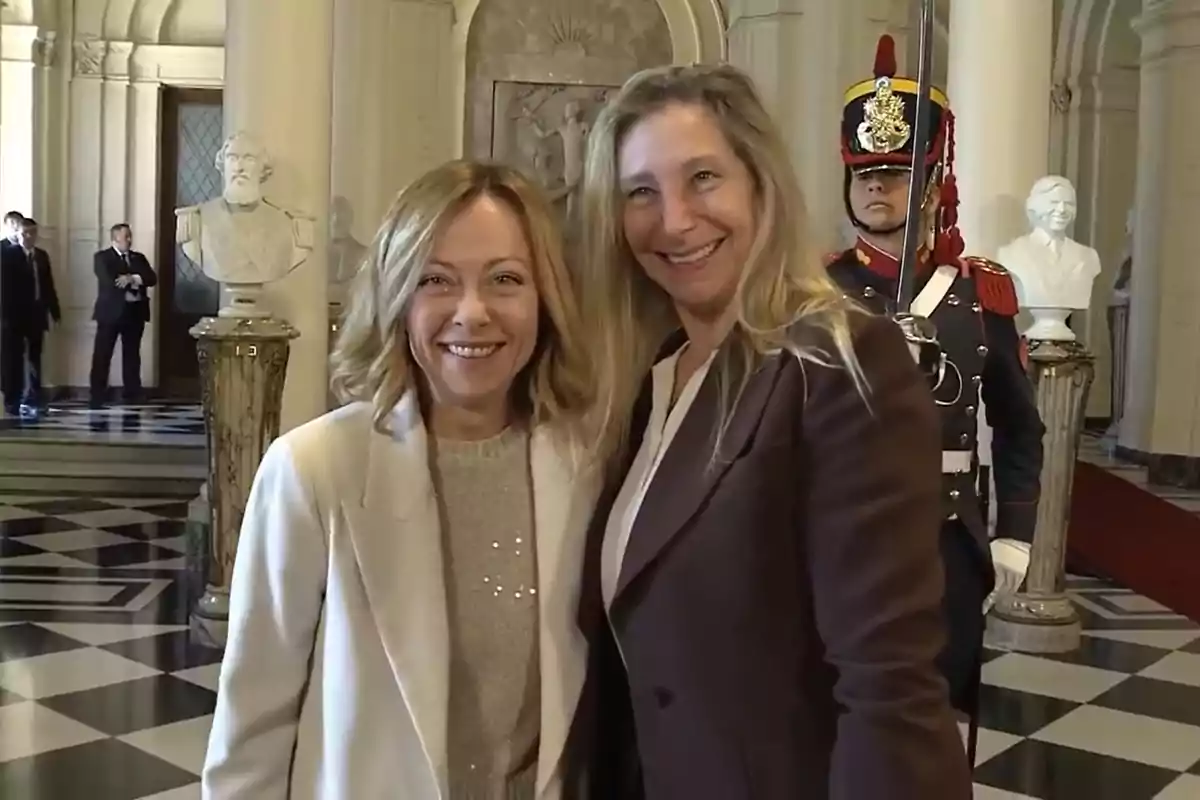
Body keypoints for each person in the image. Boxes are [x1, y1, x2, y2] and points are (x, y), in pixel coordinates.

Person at [569, 63, 970, 799]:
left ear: (760, 184)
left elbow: (887, 687)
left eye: (703, 179)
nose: (675, 219)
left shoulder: (839, 365)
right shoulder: (654, 375)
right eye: (641, 193)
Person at [202, 160, 599, 799]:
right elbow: (253, 727)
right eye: (436, 280)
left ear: (546, 299)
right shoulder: (313, 469)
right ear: (397, 296)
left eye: (505, 279)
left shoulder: (588, 465)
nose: (473, 313)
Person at [824, 34, 1045, 750]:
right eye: (865, 176)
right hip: (842, 541)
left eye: (896, 172)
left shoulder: (979, 294)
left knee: (943, 730)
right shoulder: (815, 295)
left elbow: (1019, 426)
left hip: (949, 543)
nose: (878, 188)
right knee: (846, 726)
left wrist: (1014, 533)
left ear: (933, 182)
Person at [90, 223, 157, 407]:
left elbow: (151, 278)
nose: (129, 240)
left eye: (130, 236)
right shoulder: (103, 257)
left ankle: (132, 391)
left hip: (134, 312)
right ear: (114, 239)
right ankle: (97, 392)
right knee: (103, 354)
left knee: (132, 354)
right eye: (125, 236)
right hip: (110, 313)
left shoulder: (138, 257)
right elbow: (110, 280)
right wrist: (136, 278)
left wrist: (132, 278)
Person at [0, 217, 60, 417]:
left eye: (31, 233)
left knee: (35, 359)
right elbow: (4, 289)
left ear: (36, 235)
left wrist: (54, 311)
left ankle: (34, 398)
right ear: (18, 234)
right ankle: (12, 401)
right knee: (13, 361)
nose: (27, 237)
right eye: (23, 233)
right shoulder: (7, 256)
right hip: (13, 318)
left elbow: (48, 286)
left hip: (36, 315)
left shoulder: (41, 256)